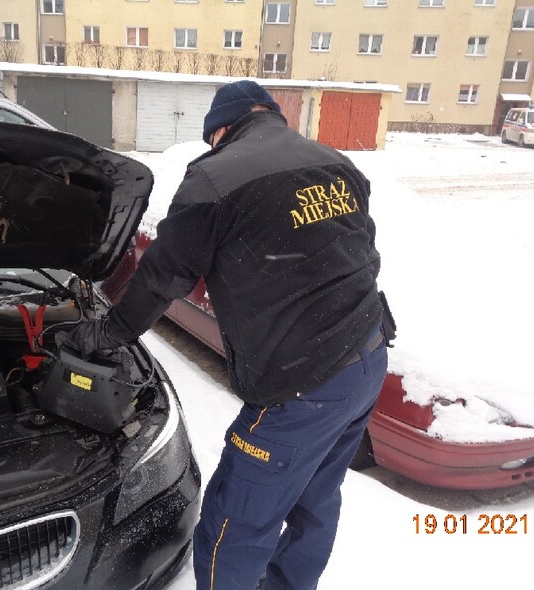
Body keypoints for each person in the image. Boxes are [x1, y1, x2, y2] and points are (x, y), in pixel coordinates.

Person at [64, 80, 393, 590]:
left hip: (299, 384)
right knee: (316, 500)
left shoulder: (214, 178)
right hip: (367, 358)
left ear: (219, 130)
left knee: (234, 523)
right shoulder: (335, 162)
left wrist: (104, 334)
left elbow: (159, 280)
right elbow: (361, 249)